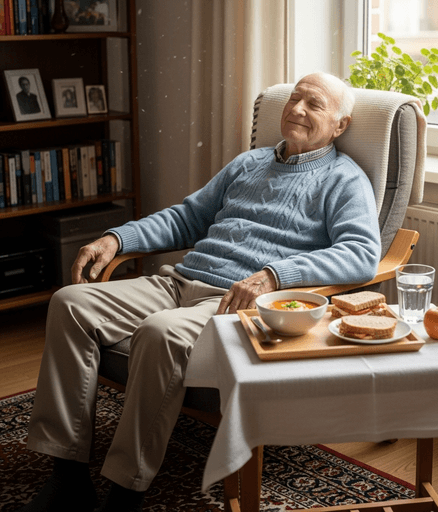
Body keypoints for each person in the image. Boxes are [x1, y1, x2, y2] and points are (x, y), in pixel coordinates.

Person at [18, 72, 381, 512]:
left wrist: (274, 275)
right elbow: (186, 218)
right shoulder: (248, 163)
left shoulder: (345, 180)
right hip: (179, 282)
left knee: (159, 332)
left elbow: (361, 253)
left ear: (340, 125)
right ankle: (68, 474)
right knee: (69, 303)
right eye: (294, 99)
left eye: (314, 104)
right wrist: (115, 239)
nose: (297, 109)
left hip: (234, 303)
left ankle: (125, 490)